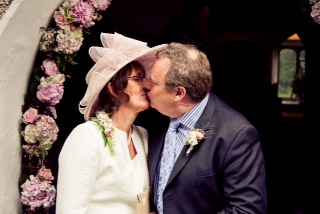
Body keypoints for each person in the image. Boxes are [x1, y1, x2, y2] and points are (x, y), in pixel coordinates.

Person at [143, 42, 267, 214]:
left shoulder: (236, 134)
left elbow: (246, 209)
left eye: (154, 82)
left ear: (179, 93)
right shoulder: (153, 119)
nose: (146, 85)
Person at [55, 32, 167, 213]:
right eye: (137, 79)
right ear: (114, 88)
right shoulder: (87, 136)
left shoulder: (141, 135)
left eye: (144, 78)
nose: (146, 85)